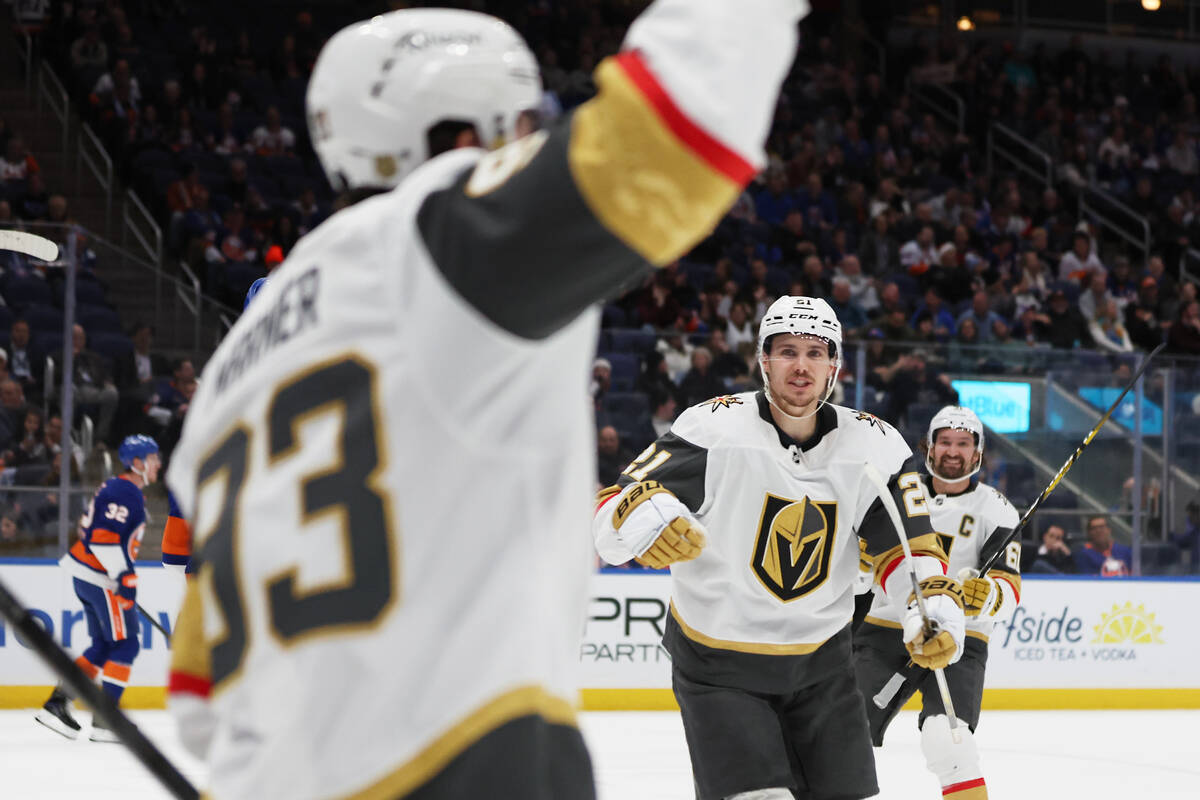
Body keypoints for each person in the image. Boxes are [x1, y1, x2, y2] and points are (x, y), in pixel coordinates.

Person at [164, 4, 806, 799]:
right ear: (460, 134)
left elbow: (197, 690)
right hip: (463, 757)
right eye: (522, 125)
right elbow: (674, 137)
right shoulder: (440, 241)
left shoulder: (234, 367)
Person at [592, 295, 965, 800]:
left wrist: (931, 612)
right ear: (763, 360)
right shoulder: (711, 430)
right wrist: (646, 519)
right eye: (787, 350)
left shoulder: (876, 447)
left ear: (835, 363)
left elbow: (910, 550)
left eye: (816, 352)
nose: (801, 365)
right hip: (718, 664)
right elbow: (614, 507)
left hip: (824, 667)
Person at [853, 406, 1021, 800]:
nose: (953, 451)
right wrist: (860, 562)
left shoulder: (997, 510)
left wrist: (988, 596)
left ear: (978, 454)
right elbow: (858, 561)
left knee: (949, 740)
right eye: (945, 441)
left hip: (962, 638)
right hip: (884, 628)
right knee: (843, 731)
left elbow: (1008, 587)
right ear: (928, 447)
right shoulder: (894, 494)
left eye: (963, 443)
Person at [34, 435, 160, 742]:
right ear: (138, 463)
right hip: (101, 577)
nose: (159, 465)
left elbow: (87, 528)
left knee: (104, 644)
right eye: (154, 459)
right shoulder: (125, 491)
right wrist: (125, 579)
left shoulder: (120, 488)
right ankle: (106, 720)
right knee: (127, 644)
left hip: (89, 575)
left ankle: (58, 703)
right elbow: (103, 537)